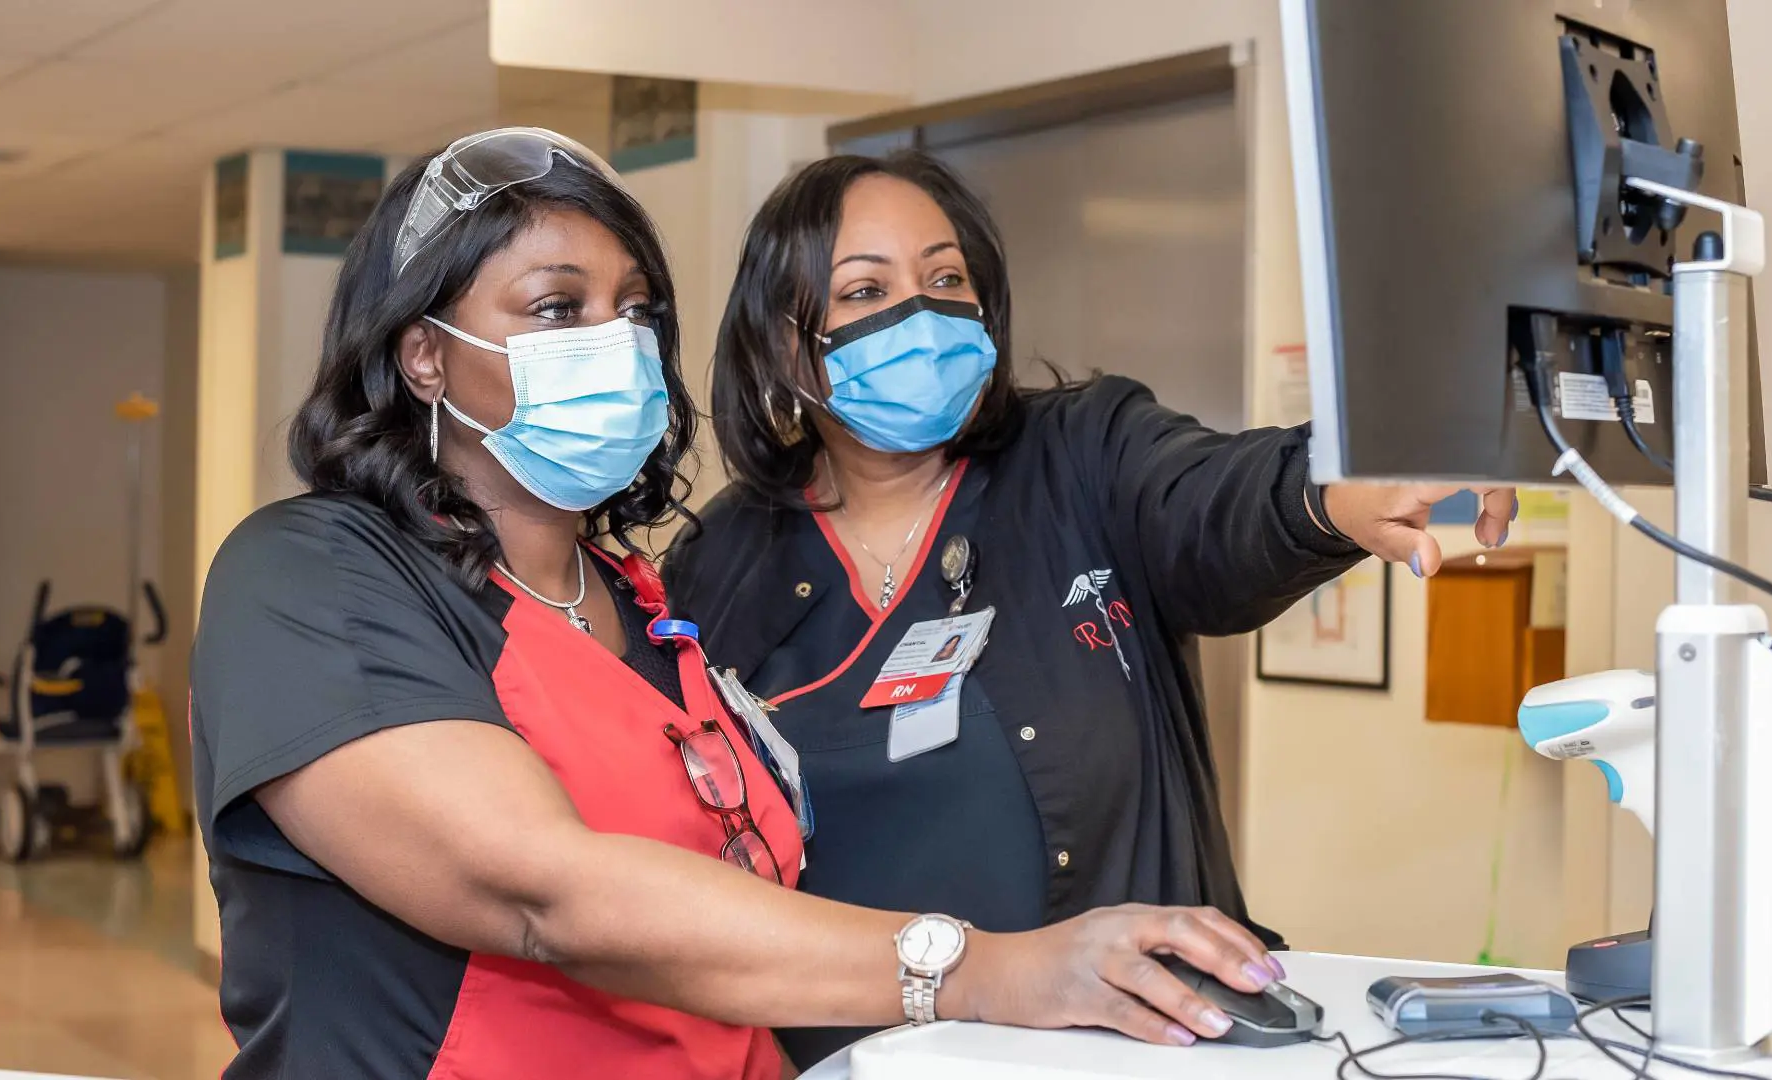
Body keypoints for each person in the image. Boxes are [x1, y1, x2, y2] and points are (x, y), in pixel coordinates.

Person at [190, 129, 1290, 1080]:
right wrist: (984, 969)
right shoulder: (312, 578)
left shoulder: (652, 614)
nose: (614, 341)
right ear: (425, 355)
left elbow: (719, 970)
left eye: (634, 309)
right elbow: (540, 894)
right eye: (557, 307)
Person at [662, 151, 1516, 1067]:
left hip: (1125, 1049)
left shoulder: (1082, 455)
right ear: (787, 343)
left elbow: (1212, 504)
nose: (920, 312)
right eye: (865, 292)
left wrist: (1326, 492)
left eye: (946, 277)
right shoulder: (724, 561)